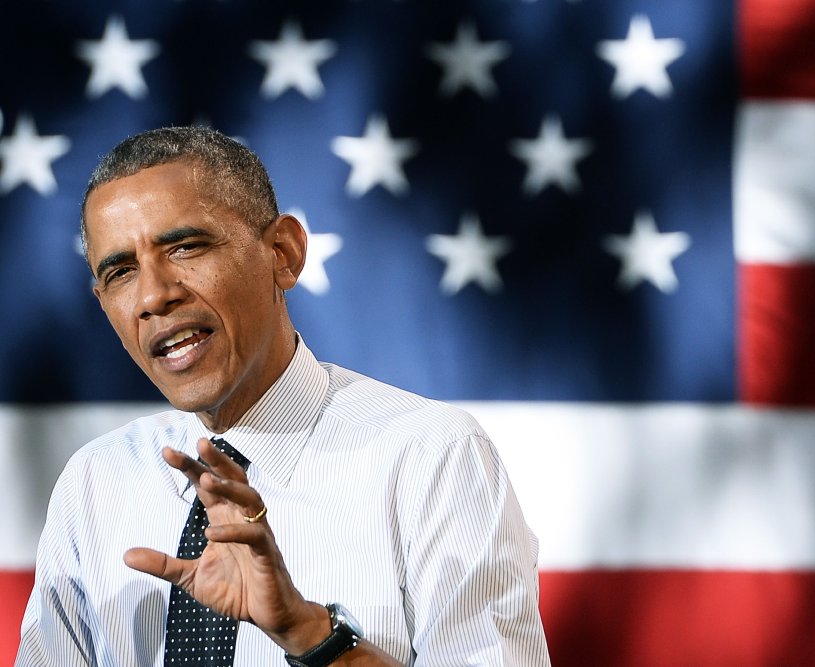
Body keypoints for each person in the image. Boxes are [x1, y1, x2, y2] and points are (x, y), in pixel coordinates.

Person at [16, 126, 550, 666]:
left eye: (185, 246)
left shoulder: (430, 456)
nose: (154, 294)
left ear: (284, 254)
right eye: (121, 271)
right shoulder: (94, 485)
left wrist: (308, 632)